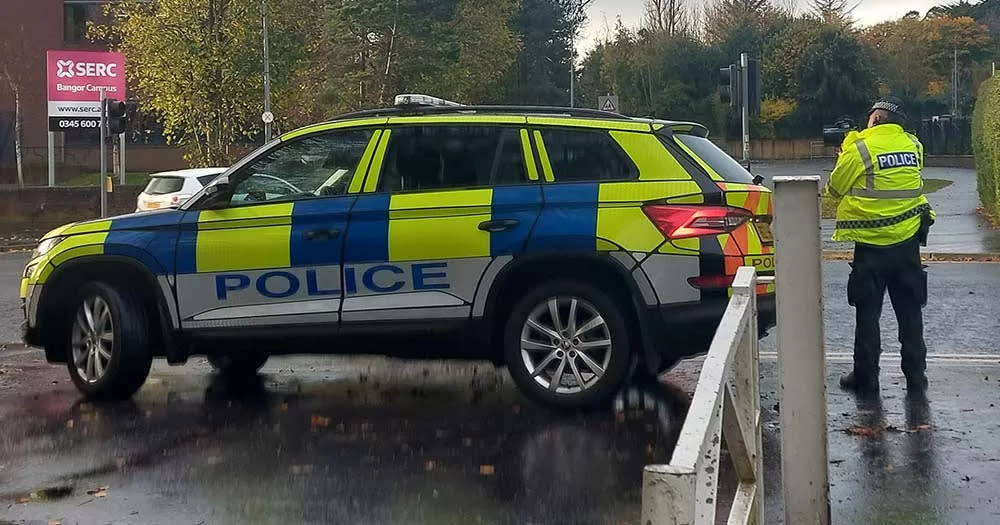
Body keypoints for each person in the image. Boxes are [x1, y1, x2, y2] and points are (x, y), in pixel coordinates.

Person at [824, 96, 935, 395]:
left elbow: (833, 189)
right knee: (911, 313)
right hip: (907, 244)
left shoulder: (860, 148)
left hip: (871, 247)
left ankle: (866, 378)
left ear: (875, 119)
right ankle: (915, 377)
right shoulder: (914, 146)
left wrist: (844, 152)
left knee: (868, 315)